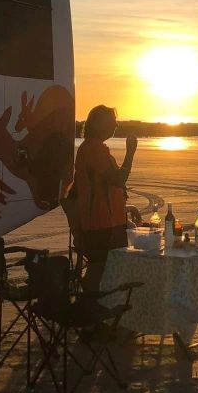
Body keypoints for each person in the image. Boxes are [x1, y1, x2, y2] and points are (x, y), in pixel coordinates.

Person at [71, 105, 138, 291]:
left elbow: (106, 187)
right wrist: (130, 153)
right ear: (100, 124)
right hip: (100, 223)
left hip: (108, 221)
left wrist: (126, 208)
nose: (116, 125)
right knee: (98, 270)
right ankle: (89, 310)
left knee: (107, 270)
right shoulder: (93, 150)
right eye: (112, 122)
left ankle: (98, 308)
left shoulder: (97, 149)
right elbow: (118, 180)